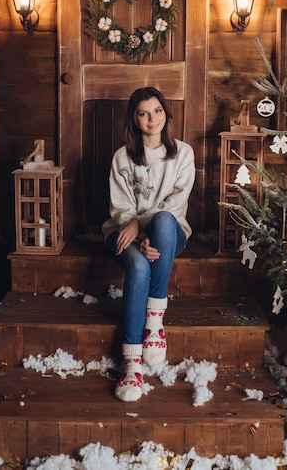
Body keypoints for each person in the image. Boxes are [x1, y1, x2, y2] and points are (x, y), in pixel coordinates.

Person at [103, 86, 195, 402]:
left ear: (166, 114)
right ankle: (131, 366)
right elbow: (120, 208)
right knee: (139, 266)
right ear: (135, 119)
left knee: (164, 220)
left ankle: (153, 321)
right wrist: (136, 233)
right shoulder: (121, 157)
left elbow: (175, 202)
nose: (151, 119)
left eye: (156, 111)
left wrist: (144, 228)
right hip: (122, 232)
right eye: (143, 113)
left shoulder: (183, 153)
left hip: (168, 235)